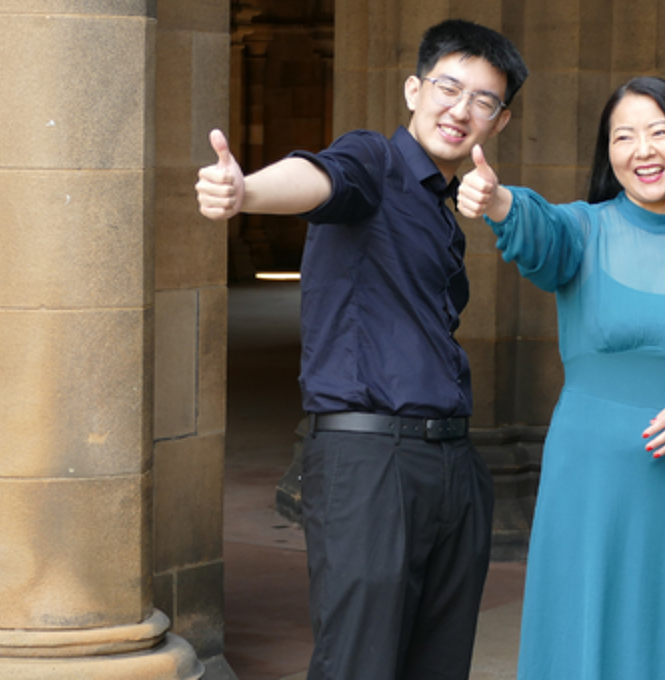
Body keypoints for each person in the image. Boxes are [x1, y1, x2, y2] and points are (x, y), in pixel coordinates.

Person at [194, 20, 527, 680]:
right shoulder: (373, 162)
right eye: (448, 87)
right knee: (360, 666)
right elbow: (320, 177)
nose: (461, 110)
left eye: (482, 100)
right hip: (372, 463)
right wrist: (247, 192)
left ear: (501, 121)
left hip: (452, 465)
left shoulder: (444, 209)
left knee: (436, 666)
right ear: (413, 89)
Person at [456, 76, 665, 679]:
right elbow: (539, 234)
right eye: (624, 136)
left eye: (660, 132)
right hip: (588, 480)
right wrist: (499, 202)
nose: (644, 150)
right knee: (582, 635)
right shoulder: (583, 231)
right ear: (608, 153)